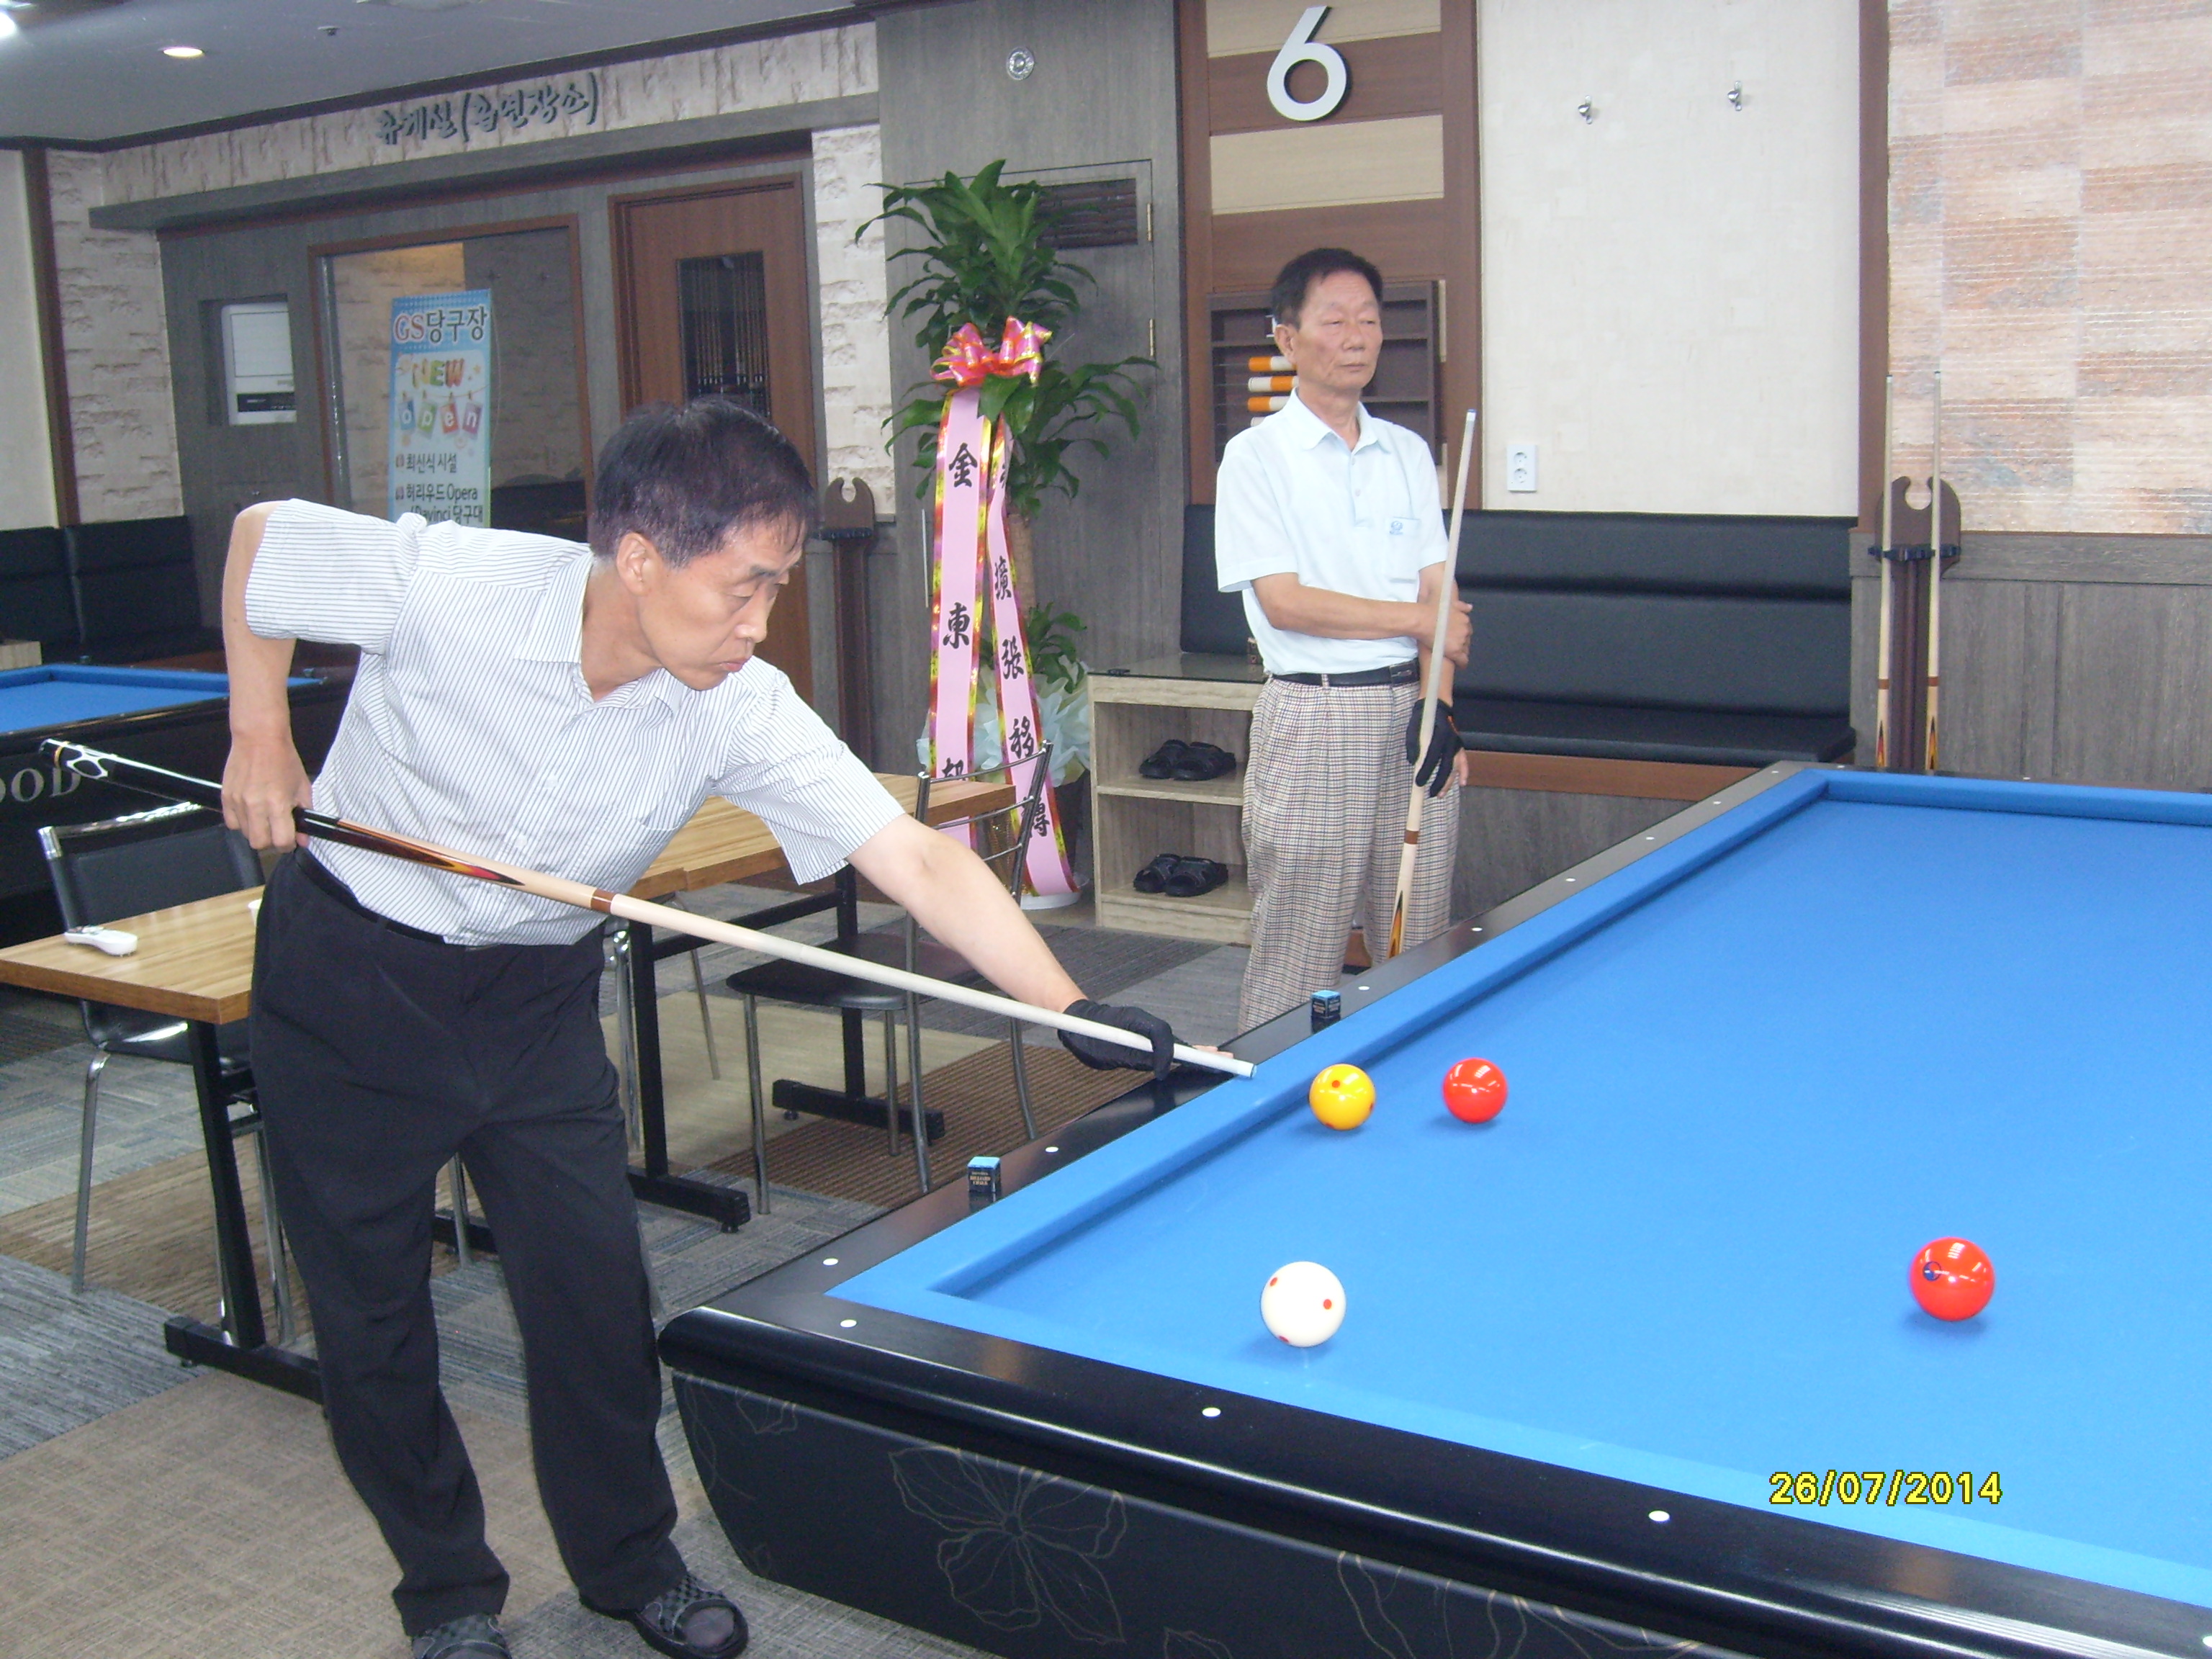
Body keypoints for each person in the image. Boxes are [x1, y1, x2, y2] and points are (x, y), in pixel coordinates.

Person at [220, 399, 1182, 1659]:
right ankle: (446, 1593)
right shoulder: (455, 586)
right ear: (638, 558)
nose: (760, 624)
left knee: (592, 1298)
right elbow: (262, 538)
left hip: (534, 1001)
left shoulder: (737, 702)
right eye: (744, 588)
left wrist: (1066, 1008)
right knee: (373, 1318)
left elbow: (912, 856)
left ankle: (631, 1563)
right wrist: (259, 729)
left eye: (775, 588)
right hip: (350, 977)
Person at [1215, 248, 1474, 1031]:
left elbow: (1440, 595)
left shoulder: (1405, 452)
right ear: (1287, 339)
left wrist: (1441, 710)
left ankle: (1402, 1085)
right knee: (1299, 949)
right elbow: (1286, 603)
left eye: (1369, 319)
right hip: (1316, 715)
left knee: (1416, 934)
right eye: (1334, 320)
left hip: (1412, 711)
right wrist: (1418, 622)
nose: (1357, 336)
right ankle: (1273, 1086)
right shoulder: (1255, 458)